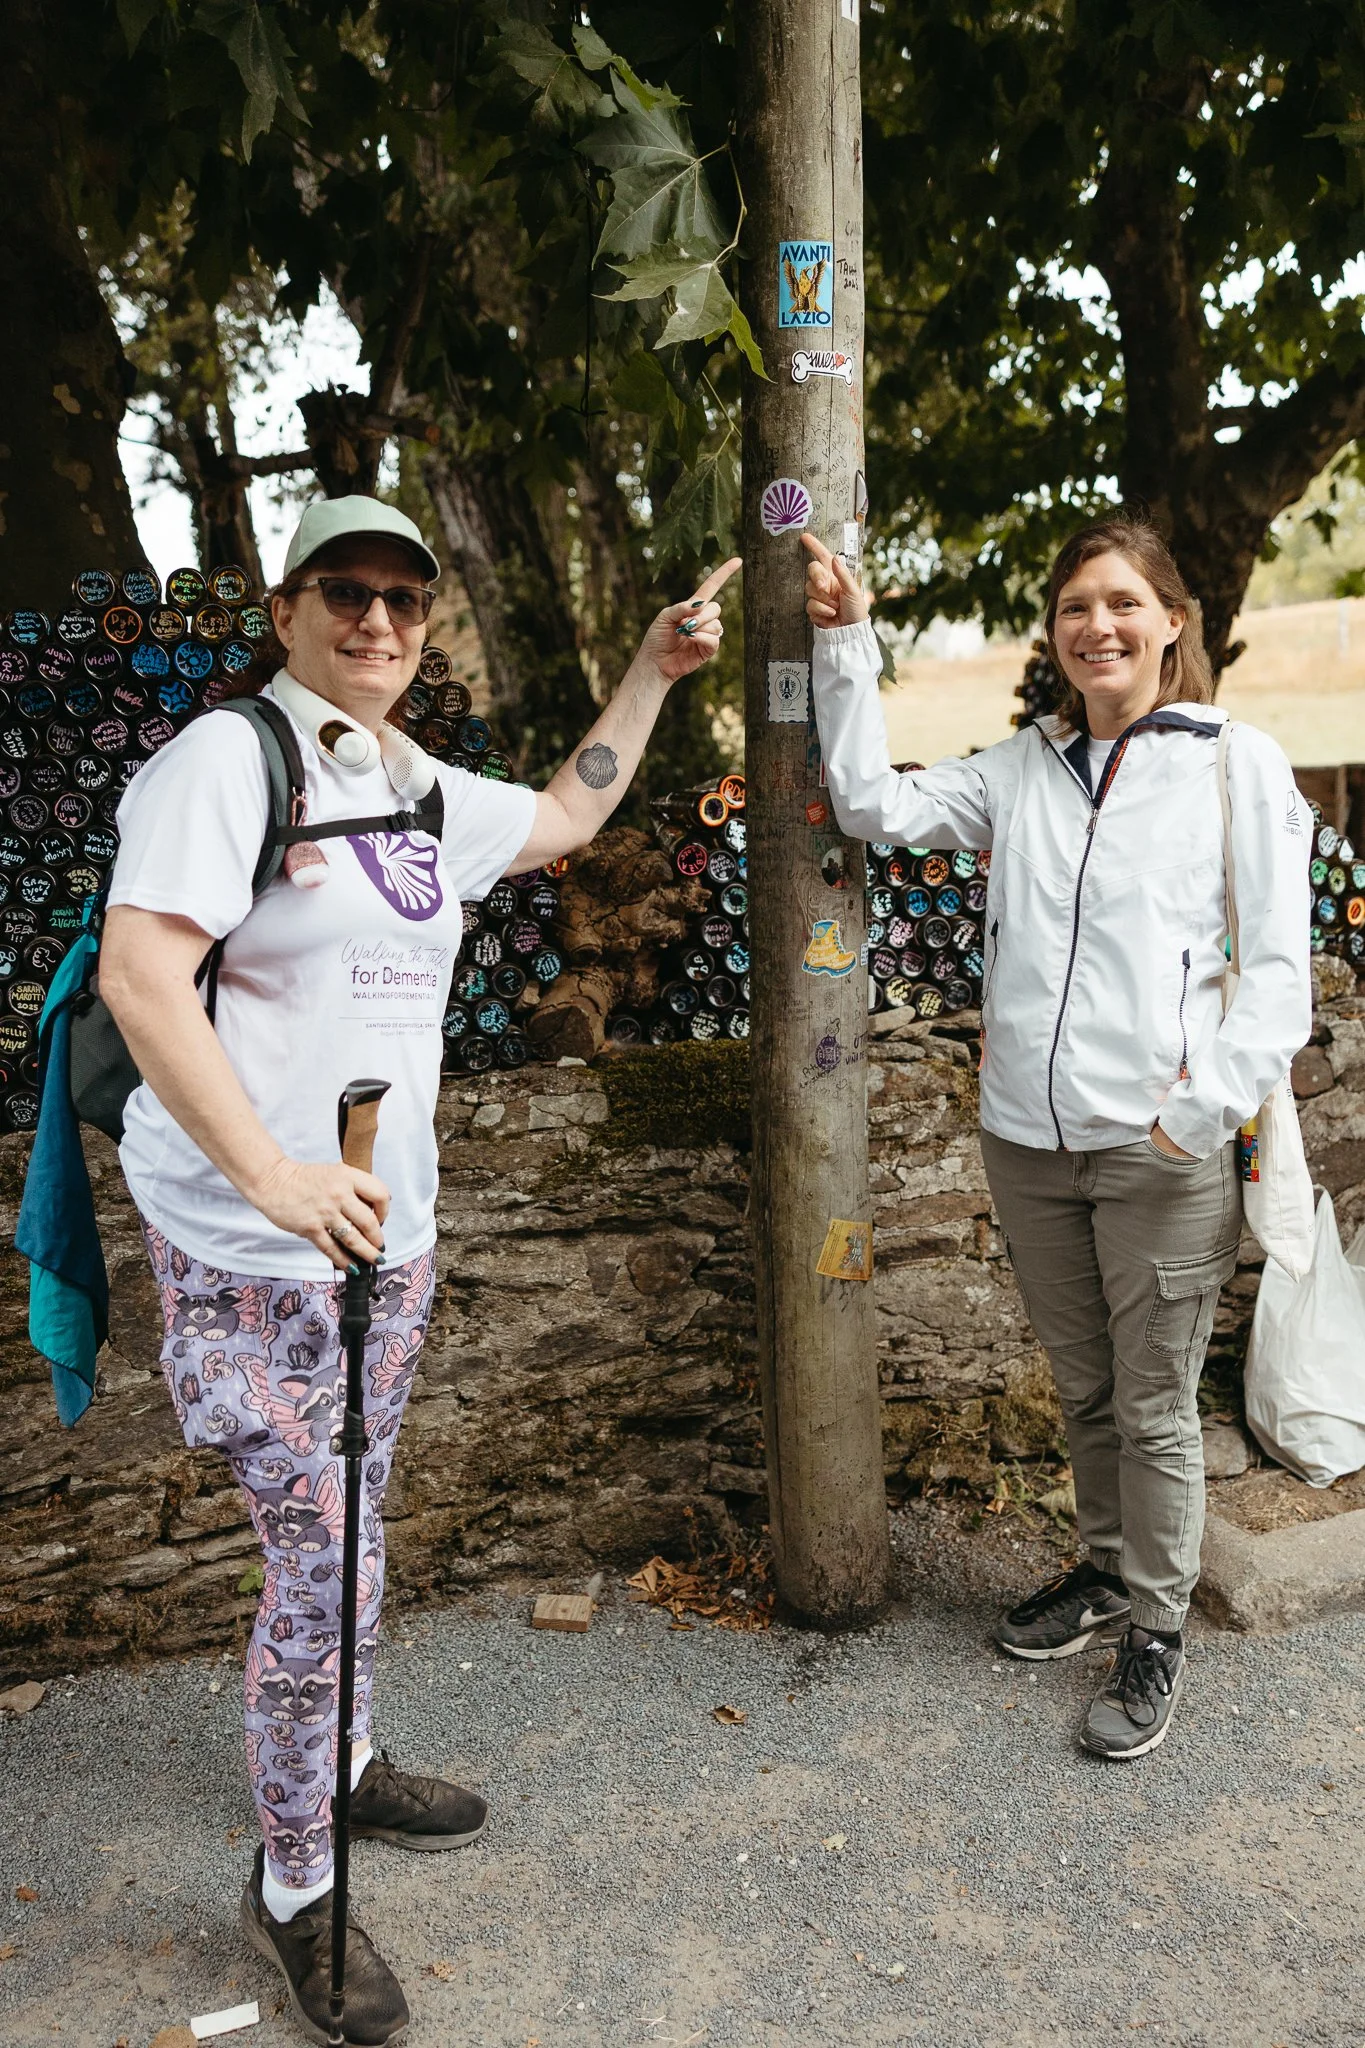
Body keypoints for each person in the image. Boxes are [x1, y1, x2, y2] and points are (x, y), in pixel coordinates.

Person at [100, 494, 739, 2043]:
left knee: (360, 1516)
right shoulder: (223, 763)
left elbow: (570, 821)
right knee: (323, 1559)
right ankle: (299, 1890)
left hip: (390, 1246)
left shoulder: (411, 781)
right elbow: (138, 972)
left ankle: (351, 1756)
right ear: (291, 606)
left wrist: (654, 671)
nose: (376, 620)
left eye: (403, 596)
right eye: (346, 592)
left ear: (426, 621)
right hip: (250, 1249)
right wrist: (269, 1167)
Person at [803, 513, 1311, 1761]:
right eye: (1079, 604)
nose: (1101, 624)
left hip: (1160, 1151)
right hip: (1028, 1145)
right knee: (1086, 1387)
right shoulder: (1019, 770)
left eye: (1126, 602)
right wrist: (845, 640)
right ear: (1054, 631)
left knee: (1153, 1401)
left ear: (1173, 622)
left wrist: (1195, 1110)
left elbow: (1281, 979)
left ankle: (1158, 1626)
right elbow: (868, 804)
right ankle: (1101, 1570)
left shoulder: (1237, 763)